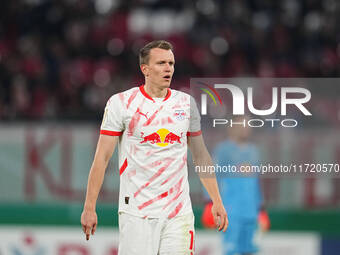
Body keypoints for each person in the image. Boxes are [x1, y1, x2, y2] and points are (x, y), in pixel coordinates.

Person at [81, 40, 228, 255]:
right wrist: (89, 207)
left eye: (171, 63)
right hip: (137, 213)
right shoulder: (121, 104)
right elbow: (102, 158)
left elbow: (201, 155)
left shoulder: (186, 104)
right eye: (161, 63)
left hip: (178, 213)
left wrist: (217, 200)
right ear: (145, 69)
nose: (168, 68)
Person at [202, 116, 270, 255]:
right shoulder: (223, 150)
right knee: (231, 250)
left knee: (249, 250)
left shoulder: (254, 151)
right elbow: (212, 175)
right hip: (230, 210)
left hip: (250, 211)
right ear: (232, 127)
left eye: (248, 124)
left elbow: (256, 181)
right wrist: (210, 202)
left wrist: (261, 209)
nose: (246, 127)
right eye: (242, 124)